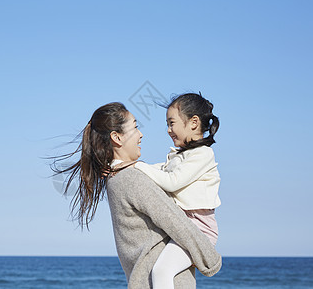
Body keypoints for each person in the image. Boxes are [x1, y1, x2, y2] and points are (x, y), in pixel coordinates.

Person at [51, 102, 221, 288]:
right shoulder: (132, 178)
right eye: (135, 127)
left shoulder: (117, 177)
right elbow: (177, 222)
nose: (141, 135)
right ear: (117, 137)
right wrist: (211, 260)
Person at [126, 93, 221, 289]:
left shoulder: (203, 154)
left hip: (200, 228)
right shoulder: (181, 155)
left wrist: (137, 166)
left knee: (162, 270)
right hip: (182, 225)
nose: (168, 130)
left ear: (193, 123)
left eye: (172, 123)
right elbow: (160, 170)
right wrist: (129, 166)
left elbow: (172, 182)